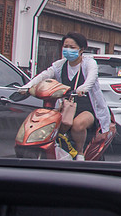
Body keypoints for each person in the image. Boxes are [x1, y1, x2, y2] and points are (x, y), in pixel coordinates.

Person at [19, 32, 111, 160]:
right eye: (65, 46)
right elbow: (44, 75)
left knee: (77, 124)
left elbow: (92, 77)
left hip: (88, 108)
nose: (68, 50)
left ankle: (80, 153)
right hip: (66, 107)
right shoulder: (59, 65)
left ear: (81, 49)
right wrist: (27, 87)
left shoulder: (88, 64)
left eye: (72, 47)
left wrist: (83, 88)